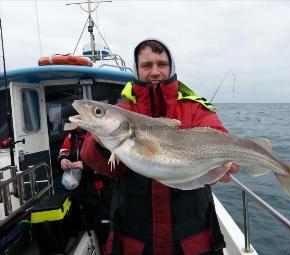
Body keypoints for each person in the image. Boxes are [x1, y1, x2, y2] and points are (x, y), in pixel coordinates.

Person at [81, 39, 239, 255]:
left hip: (192, 240)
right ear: (136, 70)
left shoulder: (193, 108)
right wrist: (101, 139)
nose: (155, 71)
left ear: (171, 68)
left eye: (161, 64)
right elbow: (106, 167)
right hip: (136, 240)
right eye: (146, 65)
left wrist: (221, 162)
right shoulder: (123, 109)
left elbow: (218, 135)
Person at [57, 105, 113, 250]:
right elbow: (64, 150)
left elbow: (108, 161)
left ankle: (105, 245)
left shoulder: (97, 135)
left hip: (98, 186)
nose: (73, 129)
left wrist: (85, 165)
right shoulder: (71, 135)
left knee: (103, 220)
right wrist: (63, 160)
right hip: (79, 184)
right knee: (81, 215)